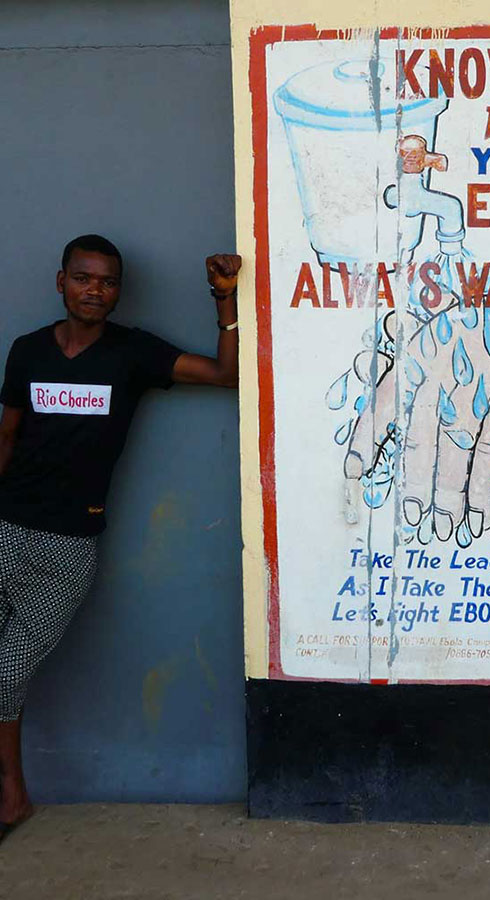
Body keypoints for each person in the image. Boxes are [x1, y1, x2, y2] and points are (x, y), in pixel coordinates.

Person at [0, 234, 241, 841]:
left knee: (6, 675)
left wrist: (224, 301)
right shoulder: (28, 352)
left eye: (107, 282)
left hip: (68, 546)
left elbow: (224, 374)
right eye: (83, 278)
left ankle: (12, 799)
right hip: (6, 529)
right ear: (61, 283)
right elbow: (6, 438)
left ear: (118, 292)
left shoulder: (131, 355)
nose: (95, 290)